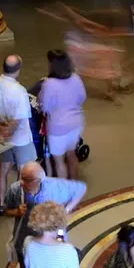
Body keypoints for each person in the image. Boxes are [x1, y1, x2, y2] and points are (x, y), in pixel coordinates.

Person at [5, 161, 87, 268]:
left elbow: (80, 188)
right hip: (26, 241)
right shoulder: (16, 190)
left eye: (27, 179)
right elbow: (5, 210)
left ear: (39, 180)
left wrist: (67, 210)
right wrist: (16, 212)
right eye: (22, 177)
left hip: (50, 245)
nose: (22, 183)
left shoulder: (54, 187)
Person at [0, 54, 36, 215]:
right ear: (18, 69)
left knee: (3, 168)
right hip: (20, 139)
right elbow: (18, 119)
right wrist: (7, 131)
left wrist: (0, 127)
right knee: (24, 171)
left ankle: (1, 204)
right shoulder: (19, 91)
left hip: (1, 136)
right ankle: (20, 204)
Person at [38, 49, 87, 181]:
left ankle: (63, 189)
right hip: (76, 123)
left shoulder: (49, 84)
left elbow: (45, 107)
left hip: (58, 127)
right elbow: (82, 97)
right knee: (72, 154)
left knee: (59, 161)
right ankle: (74, 183)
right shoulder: (76, 78)